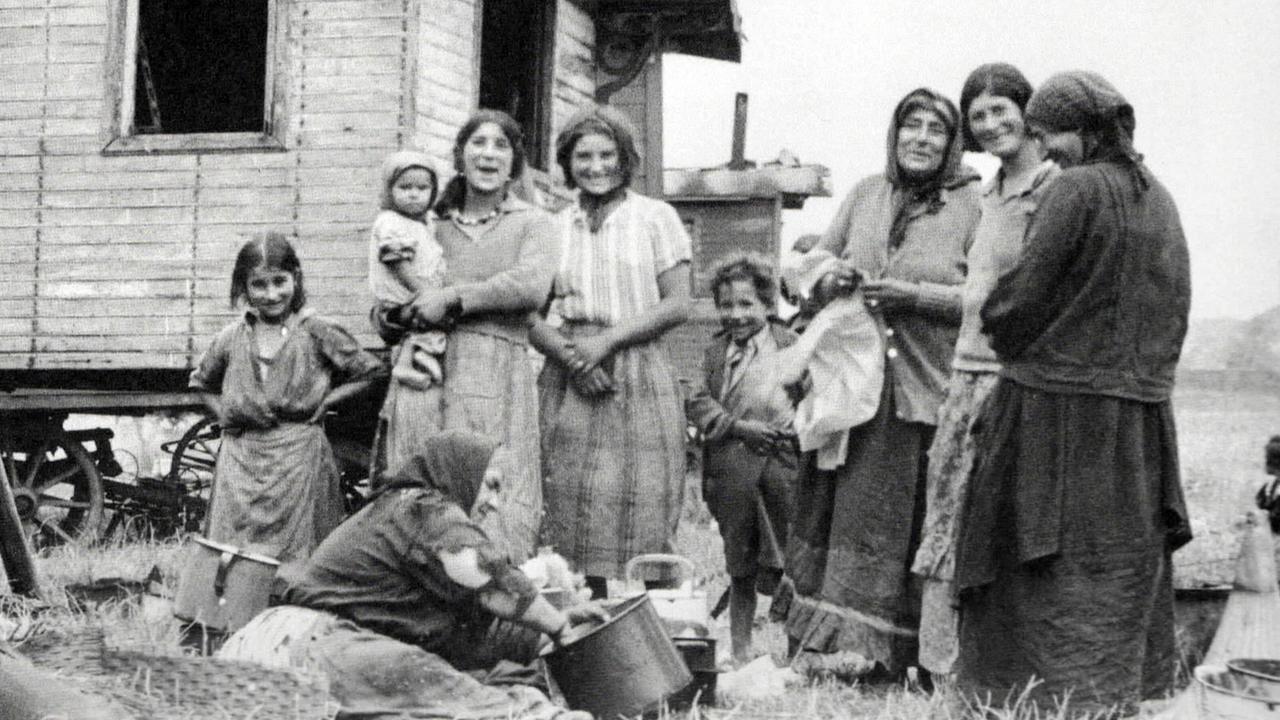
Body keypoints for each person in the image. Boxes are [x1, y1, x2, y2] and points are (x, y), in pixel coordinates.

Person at [951, 71, 1192, 713]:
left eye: (1050, 134)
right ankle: (1110, 690)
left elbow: (1022, 298)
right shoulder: (1159, 197)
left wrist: (1002, 322)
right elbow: (1172, 312)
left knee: (1041, 567)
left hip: (1055, 414)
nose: (1046, 149)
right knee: (1115, 559)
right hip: (1137, 423)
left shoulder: (1076, 189)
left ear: (1084, 132)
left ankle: (1036, 692)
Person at [785, 88, 981, 678]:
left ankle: (918, 659)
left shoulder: (975, 205)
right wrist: (828, 279)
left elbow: (988, 298)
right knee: (853, 517)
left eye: (936, 130)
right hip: (857, 392)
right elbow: (810, 261)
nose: (920, 139)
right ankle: (868, 653)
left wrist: (913, 296)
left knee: (915, 523)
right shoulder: (869, 193)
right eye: (910, 127)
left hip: (926, 388)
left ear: (953, 143)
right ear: (894, 134)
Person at [218, 431, 600, 720]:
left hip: (309, 653)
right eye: (491, 485)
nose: (494, 504)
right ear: (459, 473)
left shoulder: (413, 526)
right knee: (439, 683)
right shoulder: (421, 508)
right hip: (298, 645)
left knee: (464, 681)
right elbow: (493, 579)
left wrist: (547, 637)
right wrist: (557, 626)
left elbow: (476, 631)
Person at [910, 63, 1061, 677]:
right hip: (964, 375)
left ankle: (1003, 665)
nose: (992, 122)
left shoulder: (1054, 189)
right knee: (946, 514)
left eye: (1003, 109)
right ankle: (940, 663)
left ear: (1028, 112)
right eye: (979, 115)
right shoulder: (989, 195)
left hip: (1015, 380)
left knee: (1002, 526)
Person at [371, 110, 558, 562]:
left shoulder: (532, 223)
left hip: (494, 373)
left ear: (515, 163)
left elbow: (530, 285)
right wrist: (394, 317)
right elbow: (384, 297)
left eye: (501, 145)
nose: (488, 154)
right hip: (424, 373)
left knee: (490, 496)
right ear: (459, 156)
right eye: (478, 143)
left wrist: (453, 298)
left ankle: (494, 607)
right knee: (420, 488)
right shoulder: (426, 222)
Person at [532, 105, 692, 599]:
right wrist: (572, 358)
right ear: (567, 161)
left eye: (607, 154)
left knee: (643, 499)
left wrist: (605, 343)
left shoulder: (654, 217)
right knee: (571, 499)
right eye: (584, 156)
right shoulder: (554, 226)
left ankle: (647, 619)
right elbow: (530, 313)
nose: (596, 166)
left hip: (638, 368)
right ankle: (581, 618)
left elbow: (679, 303)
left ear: (626, 160)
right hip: (571, 370)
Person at [189, 232, 383, 561]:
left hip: (299, 457)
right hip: (242, 460)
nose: (271, 294)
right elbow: (201, 382)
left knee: (299, 550)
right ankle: (234, 608)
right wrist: (225, 415)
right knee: (233, 551)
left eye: (280, 281)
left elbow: (370, 371)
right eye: (259, 285)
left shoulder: (316, 329)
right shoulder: (232, 336)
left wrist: (327, 401)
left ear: (296, 278)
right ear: (243, 288)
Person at [686, 253, 797, 663]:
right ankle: (741, 649)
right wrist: (736, 426)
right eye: (726, 305)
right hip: (731, 469)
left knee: (790, 563)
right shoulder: (714, 353)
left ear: (769, 305)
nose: (736, 314)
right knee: (740, 564)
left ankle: (794, 654)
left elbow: (814, 396)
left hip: (782, 468)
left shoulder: (792, 346)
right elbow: (697, 401)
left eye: (747, 304)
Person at [369, 150, 447, 399]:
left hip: (414, 295)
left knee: (425, 321)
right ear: (390, 189)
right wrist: (424, 291)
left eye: (422, 188)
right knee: (433, 318)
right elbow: (397, 262)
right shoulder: (391, 221)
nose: (414, 194)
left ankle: (406, 364)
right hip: (401, 295)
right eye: (405, 187)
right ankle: (420, 354)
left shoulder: (424, 223)